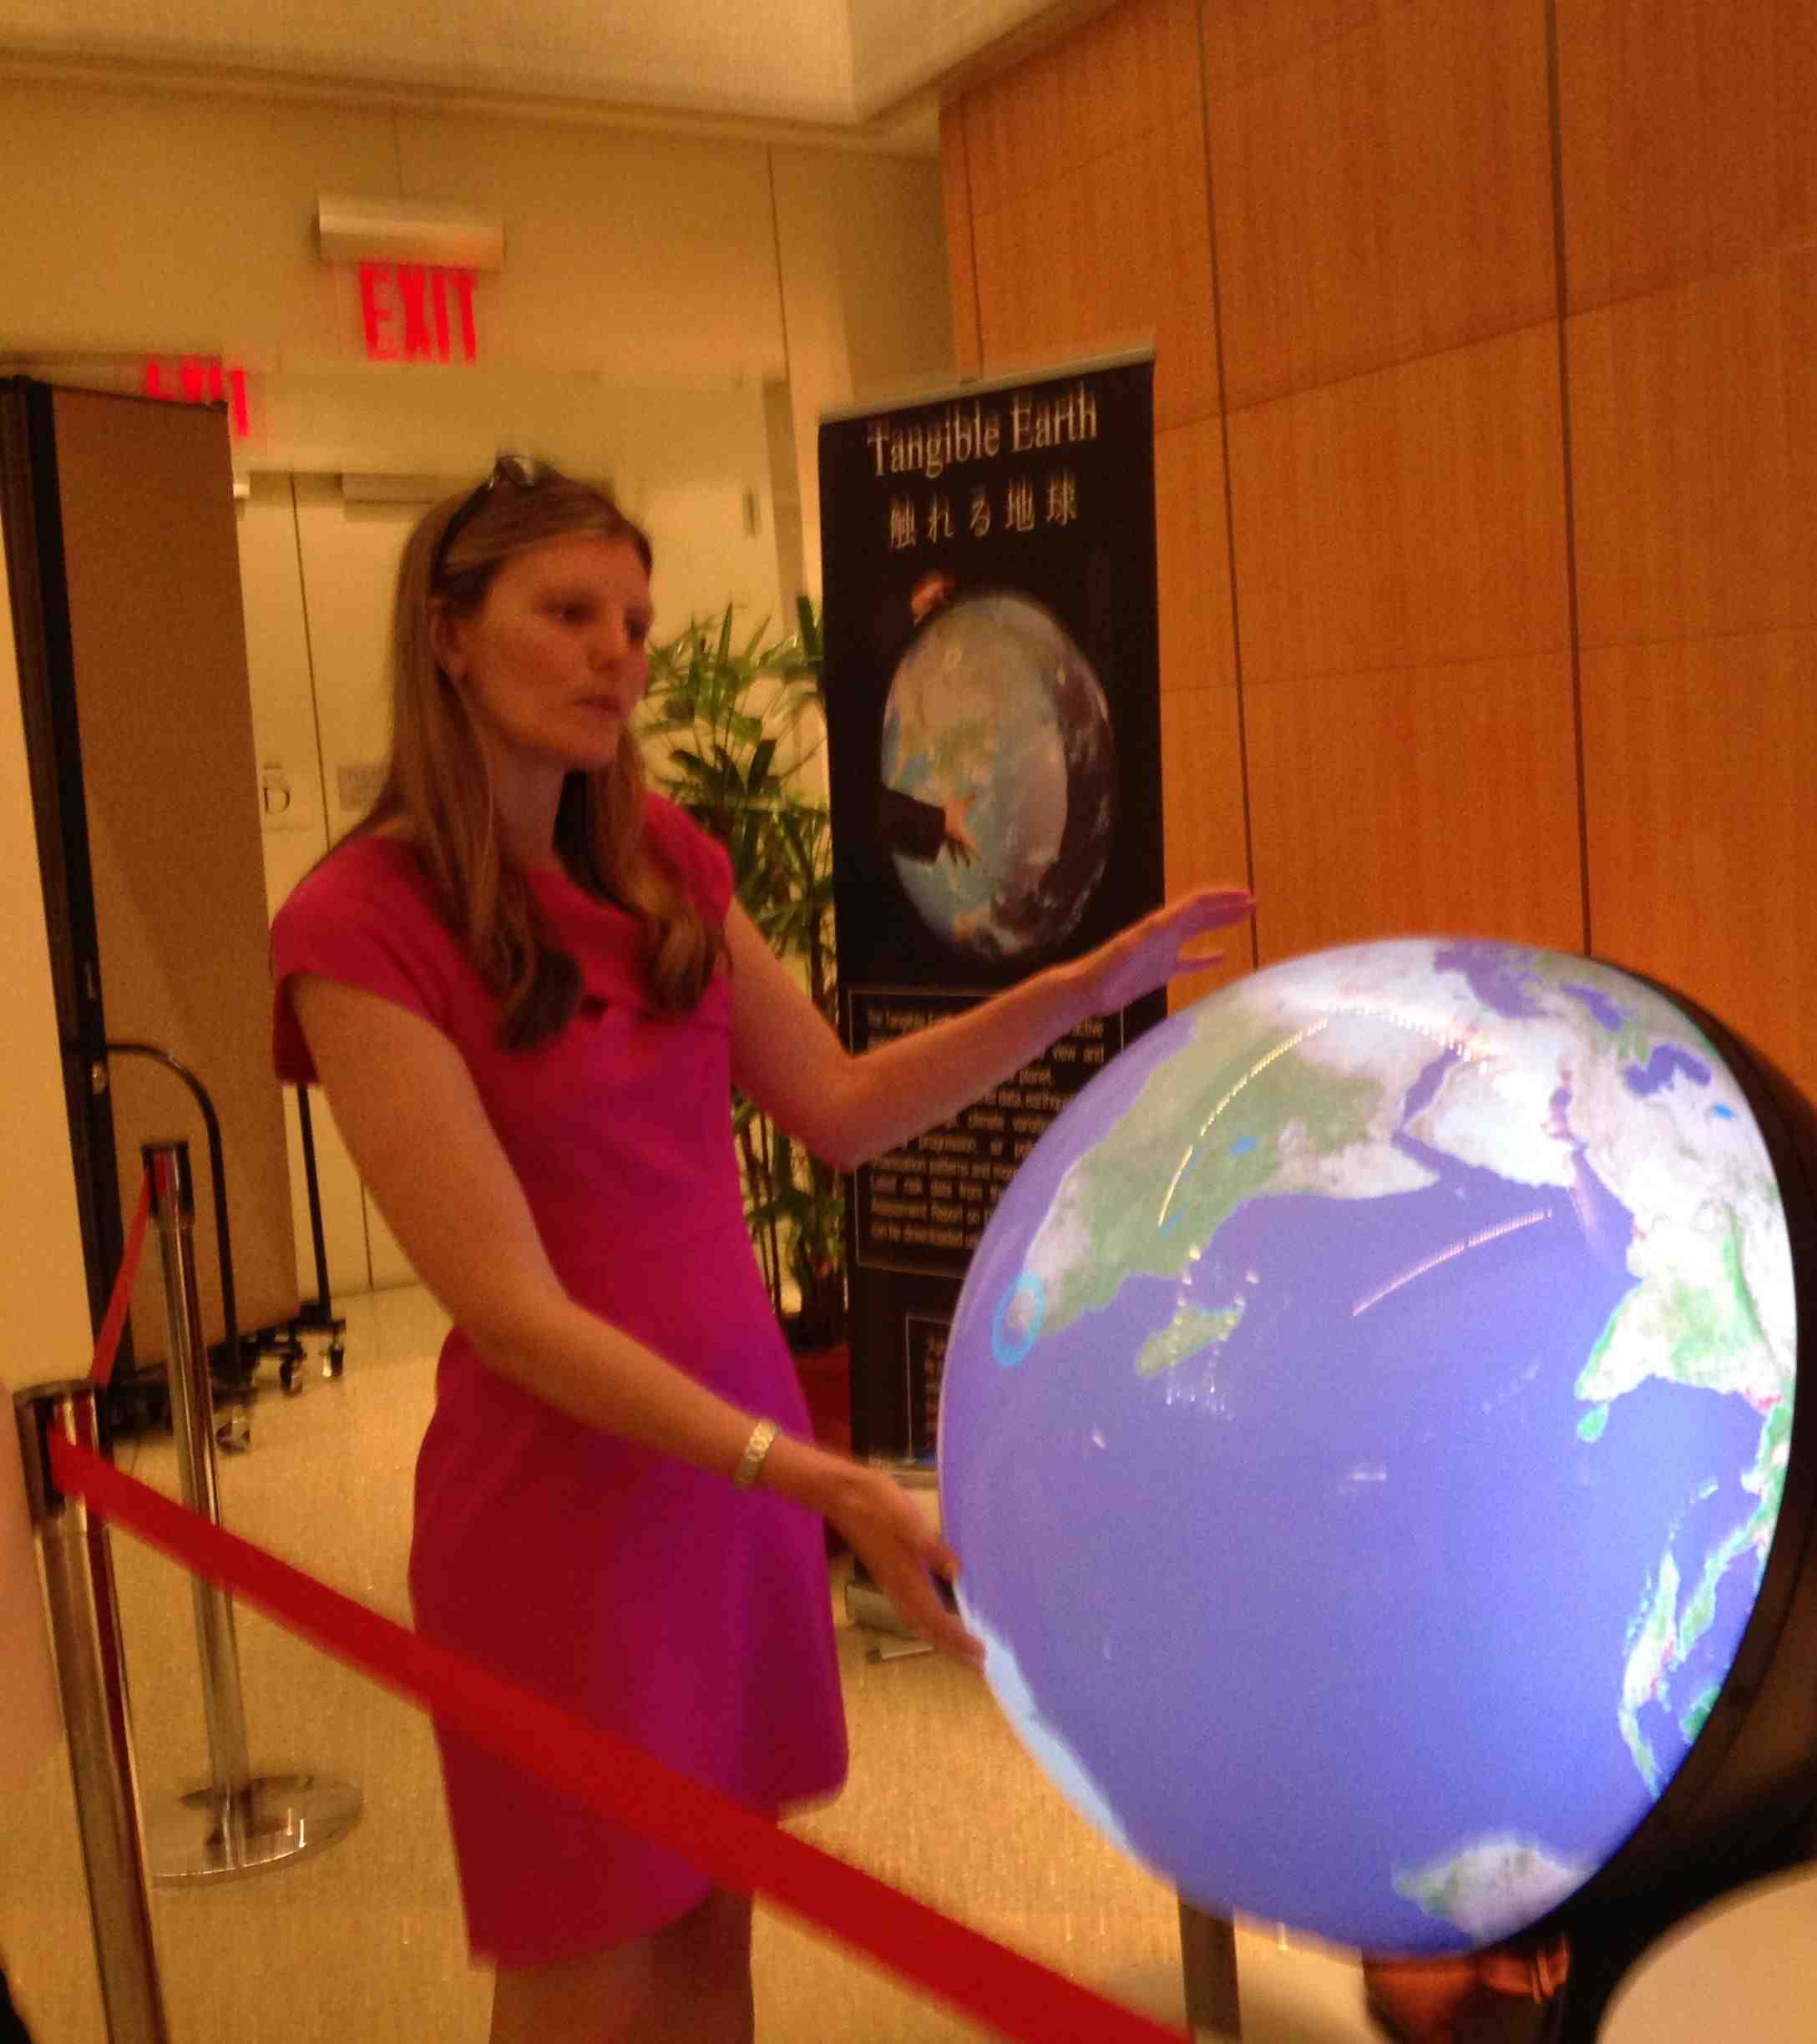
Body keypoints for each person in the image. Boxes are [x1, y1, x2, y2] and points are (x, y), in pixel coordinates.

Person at [269, 455, 1251, 2044]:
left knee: (711, 1957)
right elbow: (510, 1312)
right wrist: (812, 1478)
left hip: (730, 1494)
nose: (618, 655)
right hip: (569, 1518)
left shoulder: (657, 857)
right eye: (569, 613)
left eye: (636, 623)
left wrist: (1078, 992)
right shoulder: (361, 922)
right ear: (447, 632)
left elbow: (843, 1108)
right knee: (586, 1972)